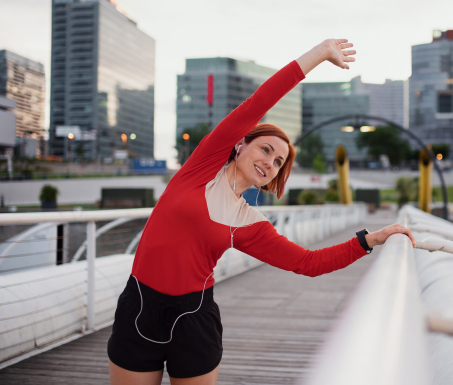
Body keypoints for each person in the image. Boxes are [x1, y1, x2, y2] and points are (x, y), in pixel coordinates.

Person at [107, 38, 416, 385]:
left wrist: (370, 239)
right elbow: (261, 100)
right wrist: (320, 53)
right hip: (138, 310)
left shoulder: (249, 222)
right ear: (239, 145)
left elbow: (308, 263)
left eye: (278, 161)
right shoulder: (201, 168)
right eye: (265, 149)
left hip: (193, 320)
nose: (269, 162)